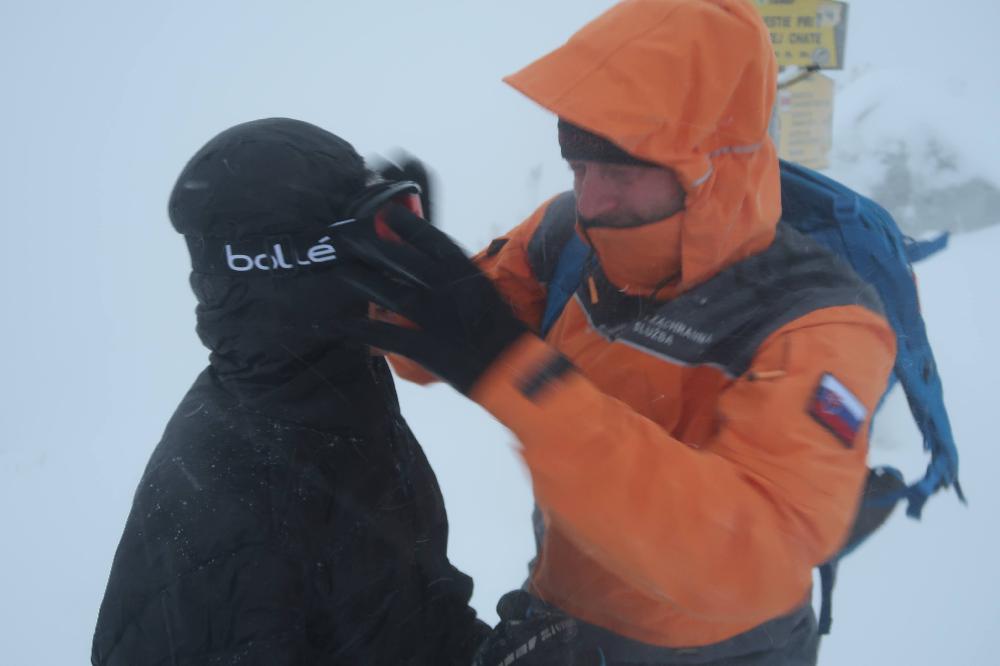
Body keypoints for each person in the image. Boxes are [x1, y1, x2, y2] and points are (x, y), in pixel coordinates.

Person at [327, 0, 897, 664]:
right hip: (559, 610)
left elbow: (748, 556)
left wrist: (523, 380)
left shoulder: (822, 322)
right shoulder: (566, 236)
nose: (592, 201)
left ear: (712, 166)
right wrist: (402, 273)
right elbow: (445, 345)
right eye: (579, 167)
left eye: (621, 172)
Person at [91, 118, 489, 666]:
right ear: (299, 273)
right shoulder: (235, 523)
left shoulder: (337, 394)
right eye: (381, 239)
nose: (407, 264)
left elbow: (408, 617)